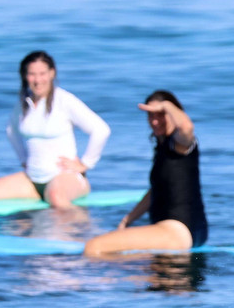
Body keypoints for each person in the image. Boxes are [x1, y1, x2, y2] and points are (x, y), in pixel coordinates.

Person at [0, 51, 110, 209]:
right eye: (32, 74)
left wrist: (85, 163)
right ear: (25, 76)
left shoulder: (64, 100)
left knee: (56, 198)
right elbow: (11, 131)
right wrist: (23, 159)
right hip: (33, 179)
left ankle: (87, 232)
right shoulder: (24, 103)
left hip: (66, 178)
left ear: (52, 73)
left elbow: (101, 129)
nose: (37, 80)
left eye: (42, 74)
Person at [83, 90, 207, 256]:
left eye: (160, 114)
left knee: (94, 248)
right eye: (151, 115)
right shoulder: (163, 149)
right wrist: (129, 219)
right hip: (187, 232)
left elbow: (186, 127)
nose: (155, 121)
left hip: (177, 230)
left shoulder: (180, 145)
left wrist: (167, 105)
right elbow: (156, 192)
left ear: (173, 112)